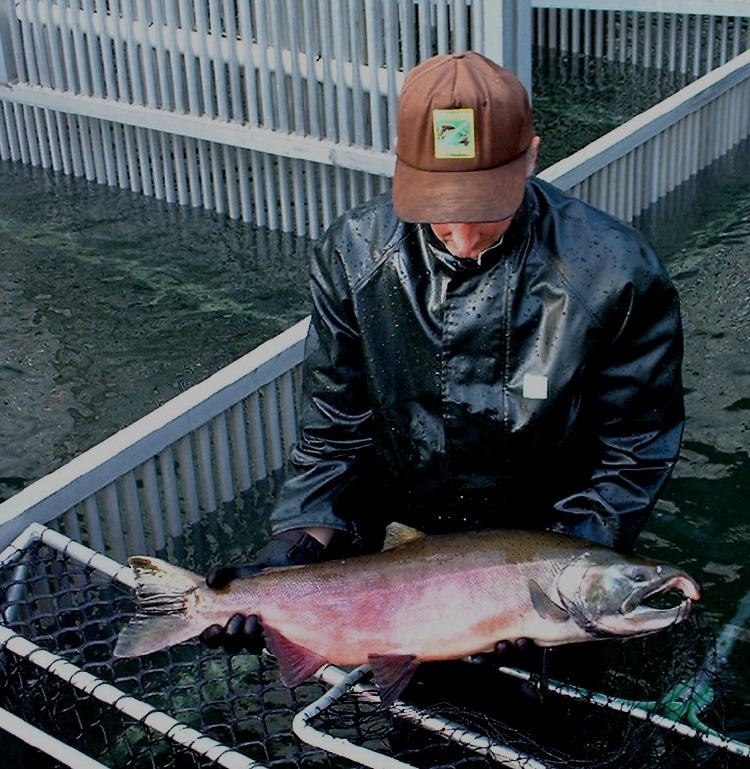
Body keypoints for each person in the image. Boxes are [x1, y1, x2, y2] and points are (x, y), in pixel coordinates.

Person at [200, 51, 684, 655]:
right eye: (438, 211)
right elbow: (335, 431)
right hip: (398, 554)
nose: (462, 237)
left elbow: (634, 449)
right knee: (402, 698)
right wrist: (296, 545)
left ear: (532, 157)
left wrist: (556, 581)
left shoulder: (618, 273)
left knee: (549, 702)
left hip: (549, 540)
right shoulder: (353, 252)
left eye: (486, 208)